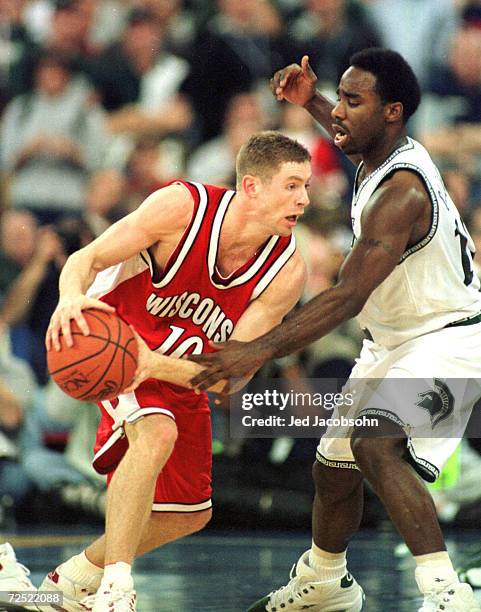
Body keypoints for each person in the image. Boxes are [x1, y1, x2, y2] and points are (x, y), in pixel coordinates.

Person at [189, 49, 481, 612]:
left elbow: (348, 296)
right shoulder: (379, 149)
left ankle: (448, 593)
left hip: (450, 339)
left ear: (392, 111)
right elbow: (351, 132)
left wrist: (256, 348)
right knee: (332, 465)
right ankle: (325, 582)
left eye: (352, 100)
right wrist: (312, 101)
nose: (339, 113)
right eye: (339, 98)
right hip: (395, 337)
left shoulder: (403, 192)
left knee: (375, 443)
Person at [2, 130, 310, 612]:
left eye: (306, 186)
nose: (304, 199)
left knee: (190, 513)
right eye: (292, 185)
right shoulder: (181, 207)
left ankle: (70, 579)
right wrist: (69, 298)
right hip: (115, 342)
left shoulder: (286, 271)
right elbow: (87, 258)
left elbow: (231, 376)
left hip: (180, 370)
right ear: (251, 186)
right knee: (157, 433)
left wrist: (157, 365)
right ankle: (116, 589)